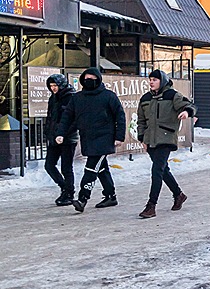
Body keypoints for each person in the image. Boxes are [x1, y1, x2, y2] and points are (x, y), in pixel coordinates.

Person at [56, 67, 126, 213]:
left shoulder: (108, 96)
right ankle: (110, 195)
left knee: (91, 168)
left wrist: (119, 136)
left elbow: (120, 116)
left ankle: (83, 199)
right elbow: (67, 116)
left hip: (104, 137)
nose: (89, 82)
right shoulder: (77, 98)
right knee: (101, 168)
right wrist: (60, 133)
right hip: (87, 138)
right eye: (86, 79)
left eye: (92, 79)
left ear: (98, 80)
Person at [136, 69, 197, 218]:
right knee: (163, 170)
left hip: (166, 138)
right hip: (150, 139)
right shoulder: (145, 98)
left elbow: (189, 105)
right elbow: (141, 120)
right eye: (150, 79)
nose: (151, 82)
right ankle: (178, 194)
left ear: (162, 81)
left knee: (156, 170)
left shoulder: (172, 95)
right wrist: (142, 138)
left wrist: (187, 112)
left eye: (155, 80)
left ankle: (151, 206)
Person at [44, 74, 79, 206]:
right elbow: (50, 117)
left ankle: (69, 193)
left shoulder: (71, 97)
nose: (53, 88)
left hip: (68, 138)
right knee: (49, 165)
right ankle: (65, 187)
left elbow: (73, 120)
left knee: (66, 167)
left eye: (55, 85)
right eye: (51, 86)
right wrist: (49, 132)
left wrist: (63, 133)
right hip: (54, 136)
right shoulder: (53, 98)